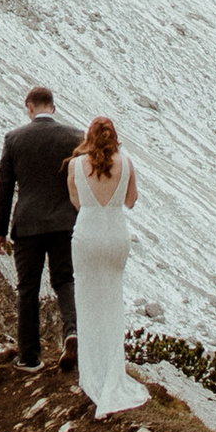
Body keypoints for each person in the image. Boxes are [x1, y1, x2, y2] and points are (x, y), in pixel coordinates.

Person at [0, 84, 83, 371]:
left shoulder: (14, 139)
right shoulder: (74, 137)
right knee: (64, 280)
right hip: (64, 223)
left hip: (28, 225)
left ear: (29, 107)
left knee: (28, 288)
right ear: (53, 107)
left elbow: (5, 187)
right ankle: (72, 331)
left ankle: (30, 357)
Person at [66, 113, 149, 414]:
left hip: (87, 234)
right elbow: (131, 201)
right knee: (112, 301)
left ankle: (92, 372)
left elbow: (76, 201)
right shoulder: (126, 163)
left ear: (89, 137)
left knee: (87, 301)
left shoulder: (76, 165)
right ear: (114, 138)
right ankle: (113, 370)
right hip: (115, 234)